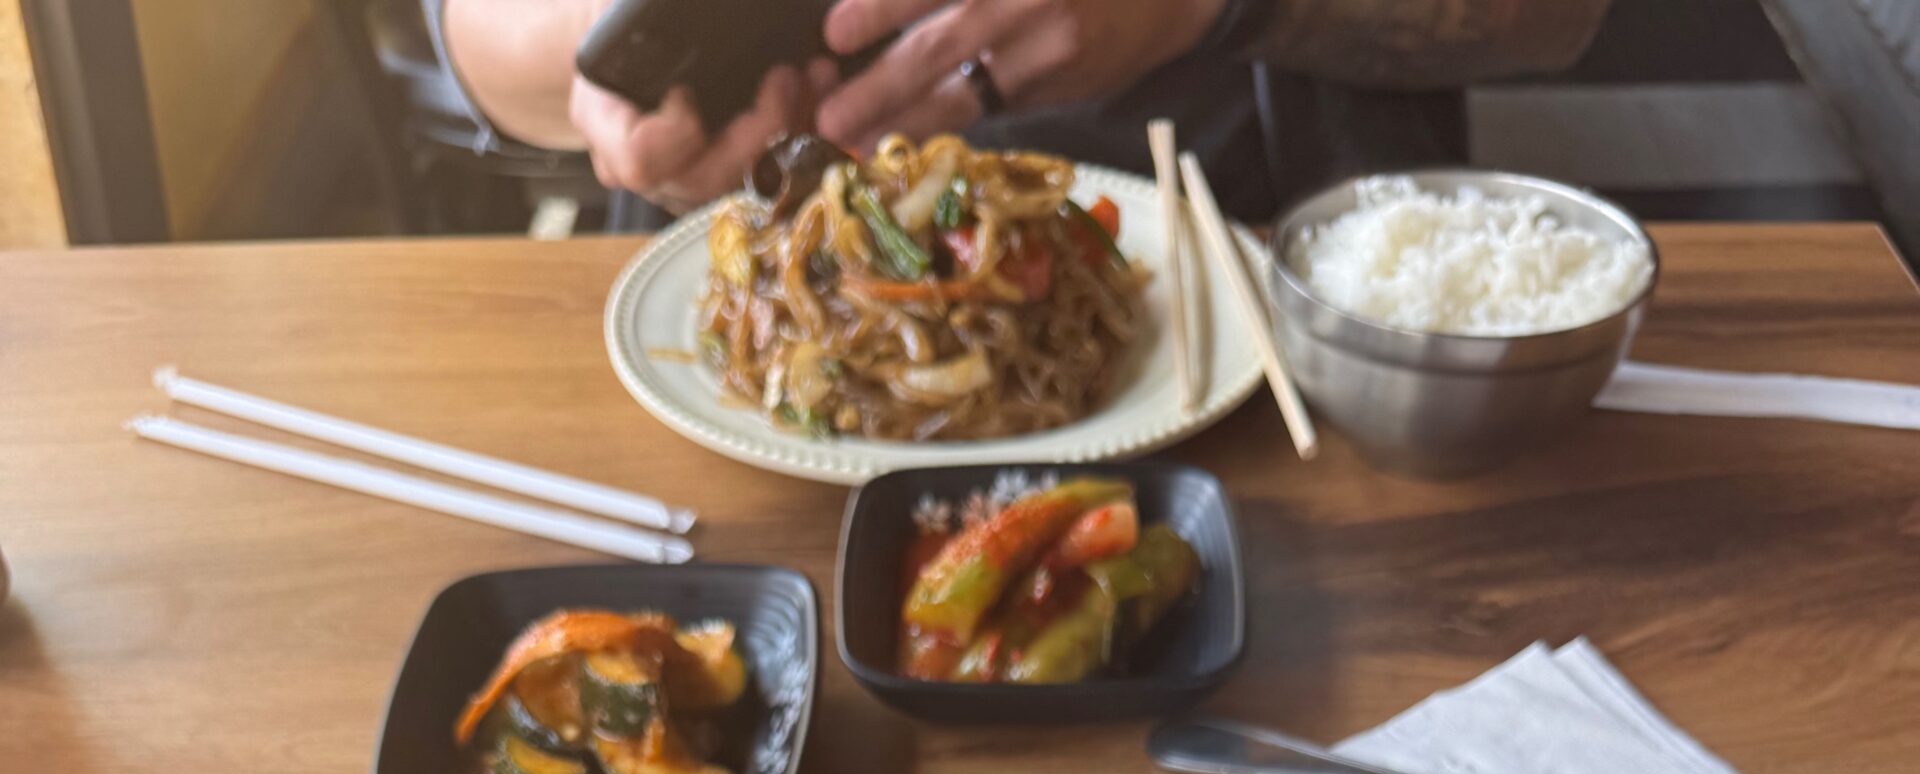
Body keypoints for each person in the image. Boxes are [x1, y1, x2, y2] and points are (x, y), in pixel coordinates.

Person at [430, 0, 1613, 224]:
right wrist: (619, 63)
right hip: (749, 285)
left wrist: (1199, 7)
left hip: (1289, 282)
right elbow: (470, 30)